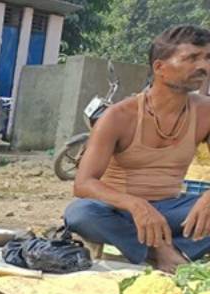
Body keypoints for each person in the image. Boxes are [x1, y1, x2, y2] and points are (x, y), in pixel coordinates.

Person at [65, 25, 210, 271]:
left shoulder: (205, 112)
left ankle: (168, 251)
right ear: (160, 68)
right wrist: (136, 205)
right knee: (80, 214)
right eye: (191, 58)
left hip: (171, 211)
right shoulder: (119, 116)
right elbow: (84, 183)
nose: (203, 66)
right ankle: (163, 251)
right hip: (120, 212)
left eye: (207, 58)